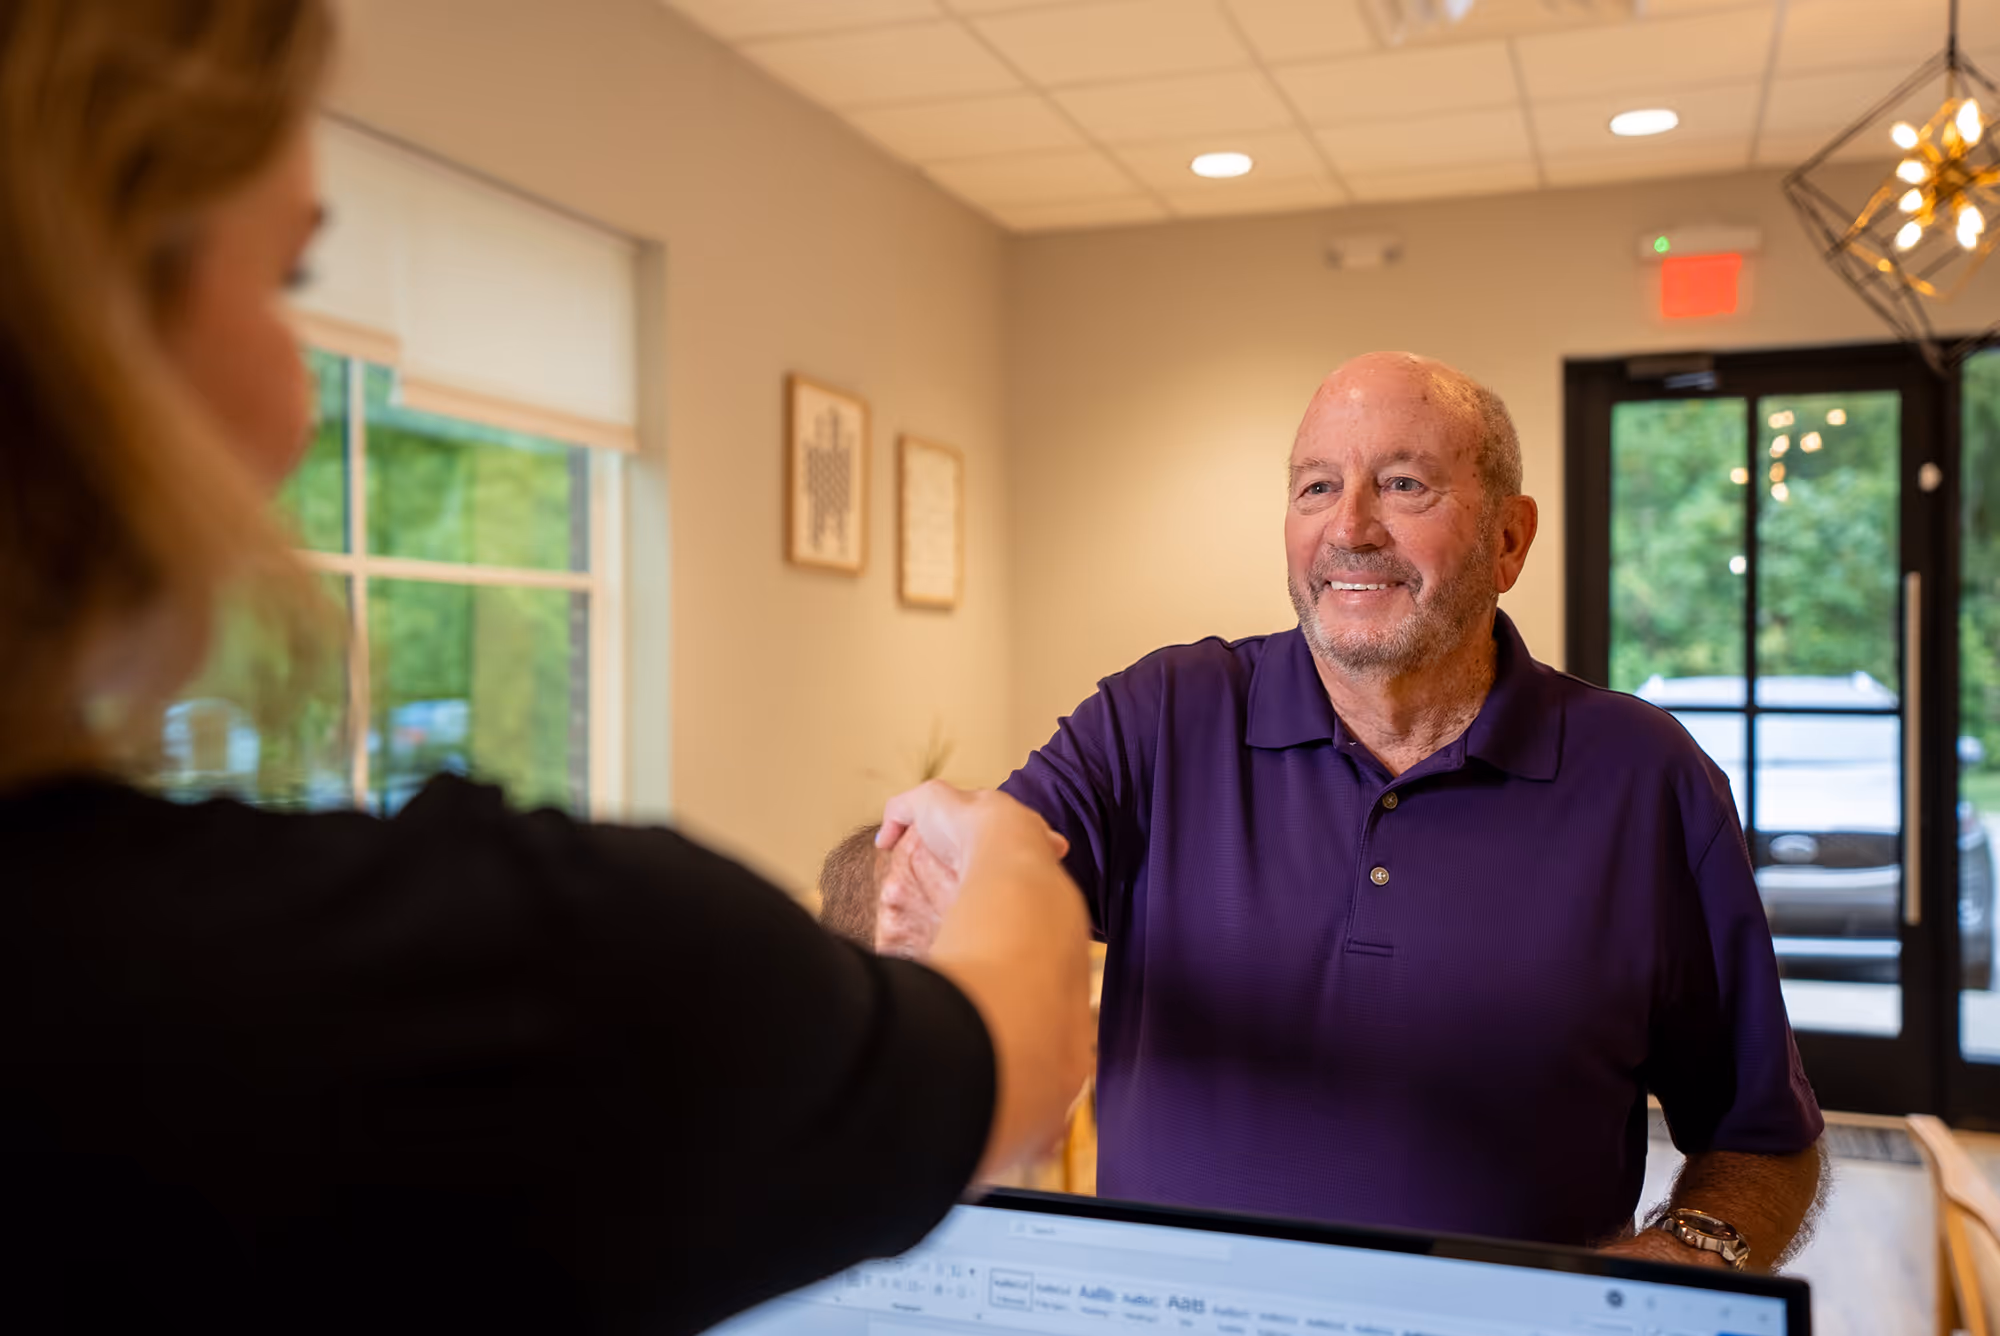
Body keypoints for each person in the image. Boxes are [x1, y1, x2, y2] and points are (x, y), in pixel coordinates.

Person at [0, 3, 1093, 1332]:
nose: (302, 392)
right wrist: (1013, 849)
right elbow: (1014, 1046)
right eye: (285, 281)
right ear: (94, 321)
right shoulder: (519, 985)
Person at [823, 352, 1829, 1272]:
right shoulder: (1163, 715)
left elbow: (1761, 1137)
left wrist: (1696, 1249)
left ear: (1508, 537)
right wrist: (907, 889)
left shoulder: (1647, 781)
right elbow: (964, 871)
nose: (1348, 526)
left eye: (1402, 484)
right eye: (1315, 486)